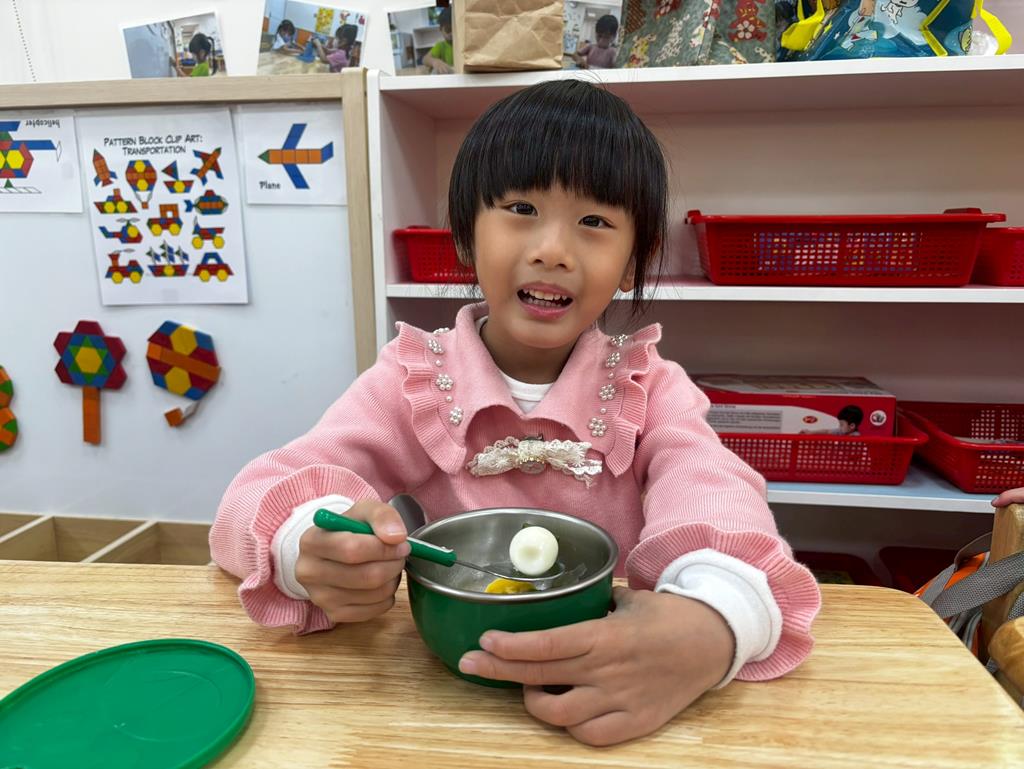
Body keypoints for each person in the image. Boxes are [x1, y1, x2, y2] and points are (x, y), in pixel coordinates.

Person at [211, 80, 821, 747]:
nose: (552, 249)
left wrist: (710, 625)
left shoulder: (651, 389)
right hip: (436, 706)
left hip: (609, 693)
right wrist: (309, 548)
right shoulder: (414, 381)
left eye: (595, 222)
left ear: (633, 263)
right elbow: (249, 501)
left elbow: (716, 493)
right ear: (465, 239)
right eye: (521, 208)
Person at [423, 8, 454, 74]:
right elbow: (425, 59)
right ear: (440, 29)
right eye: (448, 29)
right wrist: (435, 61)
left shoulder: (463, 44)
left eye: (454, 30)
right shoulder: (441, 46)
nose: (452, 34)